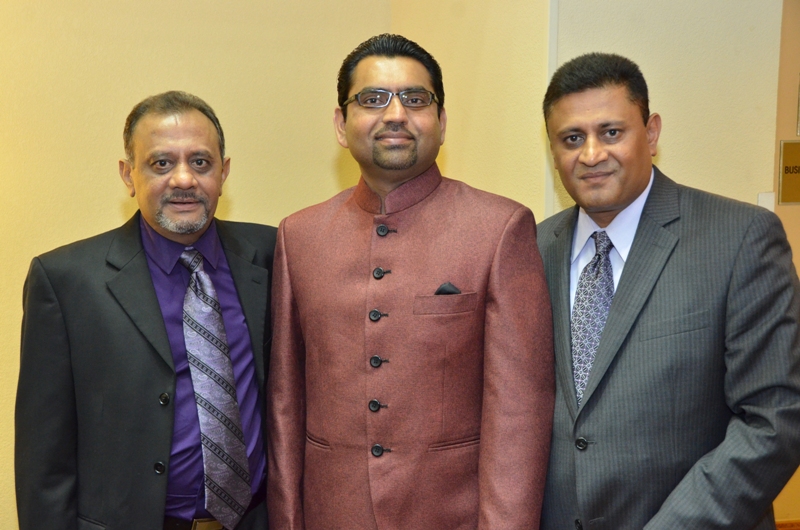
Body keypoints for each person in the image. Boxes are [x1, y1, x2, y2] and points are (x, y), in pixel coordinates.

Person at [267, 34, 554, 529]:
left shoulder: (499, 228)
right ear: (341, 124)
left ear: (441, 122)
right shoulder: (300, 236)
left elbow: (519, 416)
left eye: (416, 99)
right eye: (373, 99)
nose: (396, 114)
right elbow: (285, 405)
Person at [537, 52, 800, 529]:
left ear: (652, 133)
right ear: (553, 149)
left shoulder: (739, 238)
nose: (591, 155)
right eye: (572, 138)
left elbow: (775, 418)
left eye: (611, 132)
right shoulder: (531, 249)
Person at [16, 91, 276, 530]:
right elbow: (44, 459)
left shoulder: (272, 255)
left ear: (224, 171)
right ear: (128, 174)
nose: (183, 179)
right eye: (161, 163)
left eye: (200, 162)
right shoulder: (65, 282)